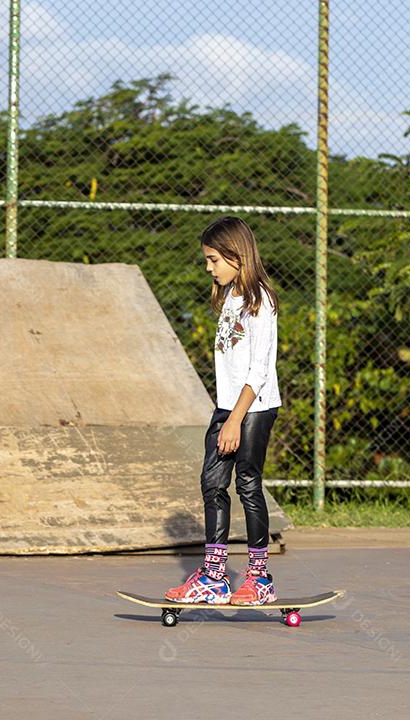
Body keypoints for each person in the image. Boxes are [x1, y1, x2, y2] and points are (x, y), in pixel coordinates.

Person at [165, 216, 282, 606]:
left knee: (247, 484)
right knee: (213, 483)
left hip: (254, 407)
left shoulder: (260, 300)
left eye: (214, 259)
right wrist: (226, 413)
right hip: (227, 408)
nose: (209, 267)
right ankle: (214, 577)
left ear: (236, 254)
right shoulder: (230, 297)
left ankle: (259, 577)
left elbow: (260, 371)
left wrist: (235, 419)